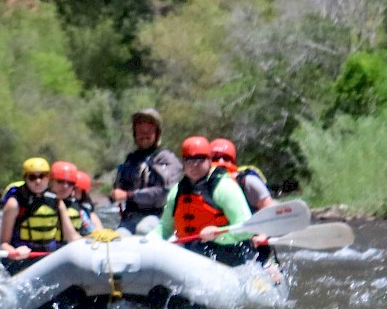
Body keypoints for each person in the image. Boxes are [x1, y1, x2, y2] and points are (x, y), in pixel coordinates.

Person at [160, 135, 257, 266]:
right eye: (189, 159)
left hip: (231, 256)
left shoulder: (225, 188)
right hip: (194, 256)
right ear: (183, 162)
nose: (194, 165)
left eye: (200, 159)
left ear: (210, 160)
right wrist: (145, 242)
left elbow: (247, 229)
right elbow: (164, 229)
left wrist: (219, 234)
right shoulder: (177, 191)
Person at [111, 107, 182, 235]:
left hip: (159, 216)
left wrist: (128, 195)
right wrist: (115, 193)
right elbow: (119, 188)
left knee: (143, 230)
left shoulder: (168, 159)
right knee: (118, 236)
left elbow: (162, 193)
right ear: (135, 134)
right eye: (140, 132)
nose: (144, 136)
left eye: (148, 131)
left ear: (157, 133)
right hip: (131, 217)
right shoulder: (131, 160)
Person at [0, 156, 79, 264]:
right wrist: (14, 253)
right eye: (32, 177)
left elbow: (71, 236)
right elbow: (3, 244)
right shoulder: (14, 204)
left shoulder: (57, 201)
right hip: (23, 259)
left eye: (42, 176)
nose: (38, 181)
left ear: (48, 178)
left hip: (49, 256)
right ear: (25, 179)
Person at [212, 138, 274, 213]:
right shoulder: (203, 187)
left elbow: (272, 213)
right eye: (215, 158)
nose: (220, 162)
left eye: (225, 158)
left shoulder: (249, 182)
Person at [52, 161, 101, 233]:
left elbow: (95, 230)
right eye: (61, 182)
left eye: (74, 188)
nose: (72, 192)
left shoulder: (83, 210)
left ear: (83, 193)